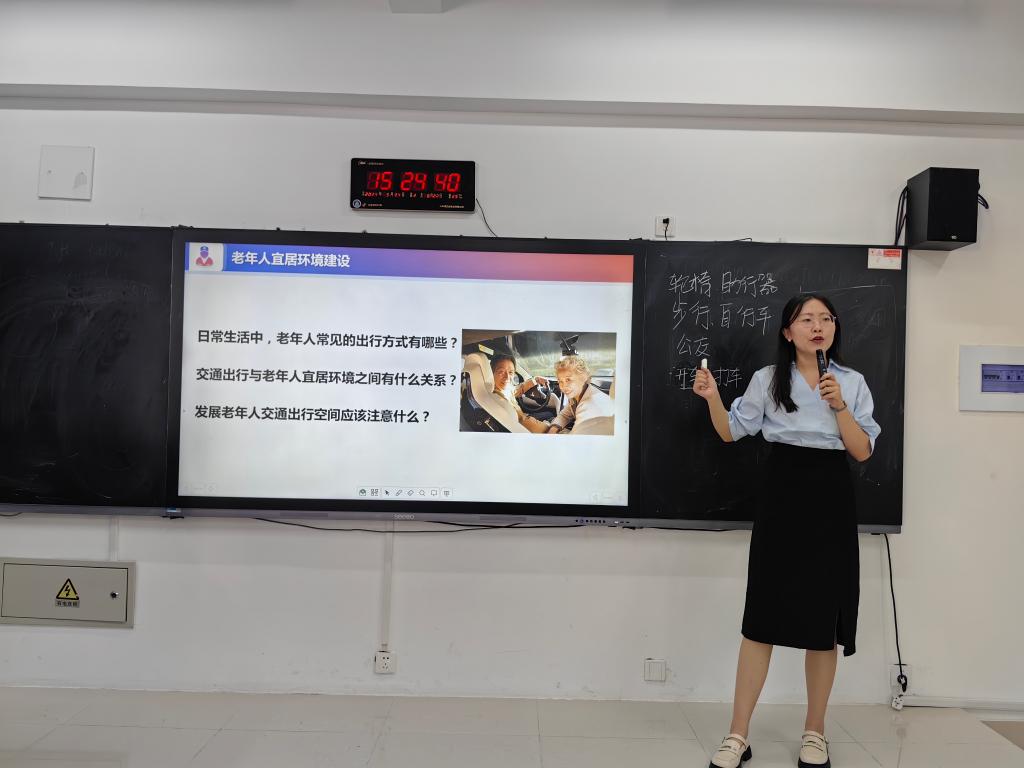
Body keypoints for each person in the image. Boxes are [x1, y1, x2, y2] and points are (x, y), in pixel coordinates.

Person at [693, 294, 880, 768]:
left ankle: (815, 733)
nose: (818, 326)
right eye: (807, 319)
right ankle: (737, 735)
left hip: (831, 497)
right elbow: (730, 432)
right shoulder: (768, 379)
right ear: (787, 332)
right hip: (782, 495)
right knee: (762, 618)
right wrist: (713, 398)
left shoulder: (851, 382)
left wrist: (840, 406)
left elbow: (862, 451)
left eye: (826, 319)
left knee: (824, 622)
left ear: (834, 328)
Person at [547, 354, 614, 433]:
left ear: (583, 378)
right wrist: (554, 428)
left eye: (568, 380)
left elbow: (577, 438)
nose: (563, 386)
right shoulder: (575, 397)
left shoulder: (590, 405)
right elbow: (564, 415)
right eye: (560, 381)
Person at [490, 354, 551, 434]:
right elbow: (524, 422)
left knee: (549, 413)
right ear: (491, 373)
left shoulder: (502, 390)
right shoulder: (499, 399)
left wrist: (536, 380)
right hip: (526, 428)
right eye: (501, 372)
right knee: (551, 416)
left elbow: (516, 390)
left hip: (525, 419)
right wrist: (549, 426)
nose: (507, 377)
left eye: (510, 372)